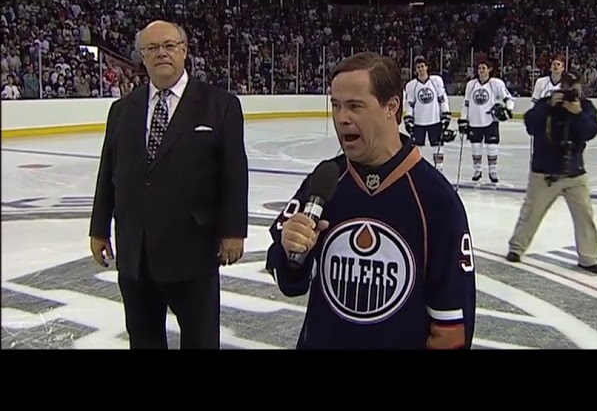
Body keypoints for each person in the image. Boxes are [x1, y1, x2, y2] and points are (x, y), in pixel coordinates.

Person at [265, 52, 476, 349]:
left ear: (392, 106)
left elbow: (452, 325)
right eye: (336, 106)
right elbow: (289, 281)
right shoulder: (327, 179)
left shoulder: (435, 198)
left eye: (355, 106)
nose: (341, 118)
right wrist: (292, 253)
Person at [88, 20, 249, 349]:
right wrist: (99, 227)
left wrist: (234, 231)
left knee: (200, 339)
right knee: (143, 338)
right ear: (142, 57)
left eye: (169, 46)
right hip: (137, 251)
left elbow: (234, 172)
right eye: (152, 48)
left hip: (192, 248)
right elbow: (109, 171)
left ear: (184, 51)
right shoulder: (122, 110)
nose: (161, 53)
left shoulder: (220, 104)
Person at [506, 72, 597, 274]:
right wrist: (548, 107)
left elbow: (590, 132)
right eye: (567, 88)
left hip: (574, 173)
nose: (570, 93)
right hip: (545, 173)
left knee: (585, 216)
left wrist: (577, 114)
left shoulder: (585, 107)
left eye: (574, 89)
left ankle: (589, 257)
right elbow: (531, 125)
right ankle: (516, 248)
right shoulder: (546, 104)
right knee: (531, 213)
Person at [457, 60, 515, 184]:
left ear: (489, 69)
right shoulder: (471, 85)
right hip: (474, 121)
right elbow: (466, 103)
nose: (481, 70)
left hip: (490, 121)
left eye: (484, 68)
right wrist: (463, 118)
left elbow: (508, 98)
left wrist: (508, 109)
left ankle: (492, 171)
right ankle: (477, 171)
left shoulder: (496, 84)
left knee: (492, 147)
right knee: (475, 147)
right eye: (479, 68)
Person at [402, 55, 453, 172]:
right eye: (418, 67)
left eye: (422, 66)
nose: (420, 69)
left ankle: (439, 169)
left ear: (427, 67)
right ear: (415, 70)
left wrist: (445, 113)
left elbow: (442, 99)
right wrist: (408, 118)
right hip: (418, 121)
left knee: (437, 145)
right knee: (417, 146)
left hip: (435, 120)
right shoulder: (411, 85)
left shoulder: (436, 81)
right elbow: (410, 104)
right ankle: (417, 169)